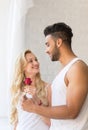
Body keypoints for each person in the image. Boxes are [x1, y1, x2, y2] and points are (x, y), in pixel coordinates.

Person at [21, 22, 88, 130]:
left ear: (58, 42)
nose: (46, 50)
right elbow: (55, 115)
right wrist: (36, 101)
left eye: (48, 45)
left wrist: (33, 108)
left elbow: (72, 111)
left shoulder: (77, 68)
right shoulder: (63, 71)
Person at [10, 49, 51, 130]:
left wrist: (36, 99)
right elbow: (17, 121)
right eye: (30, 61)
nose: (36, 63)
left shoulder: (47, 88)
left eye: (36, 59)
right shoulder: (17, 89)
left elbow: (50, 122)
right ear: (23, 67)